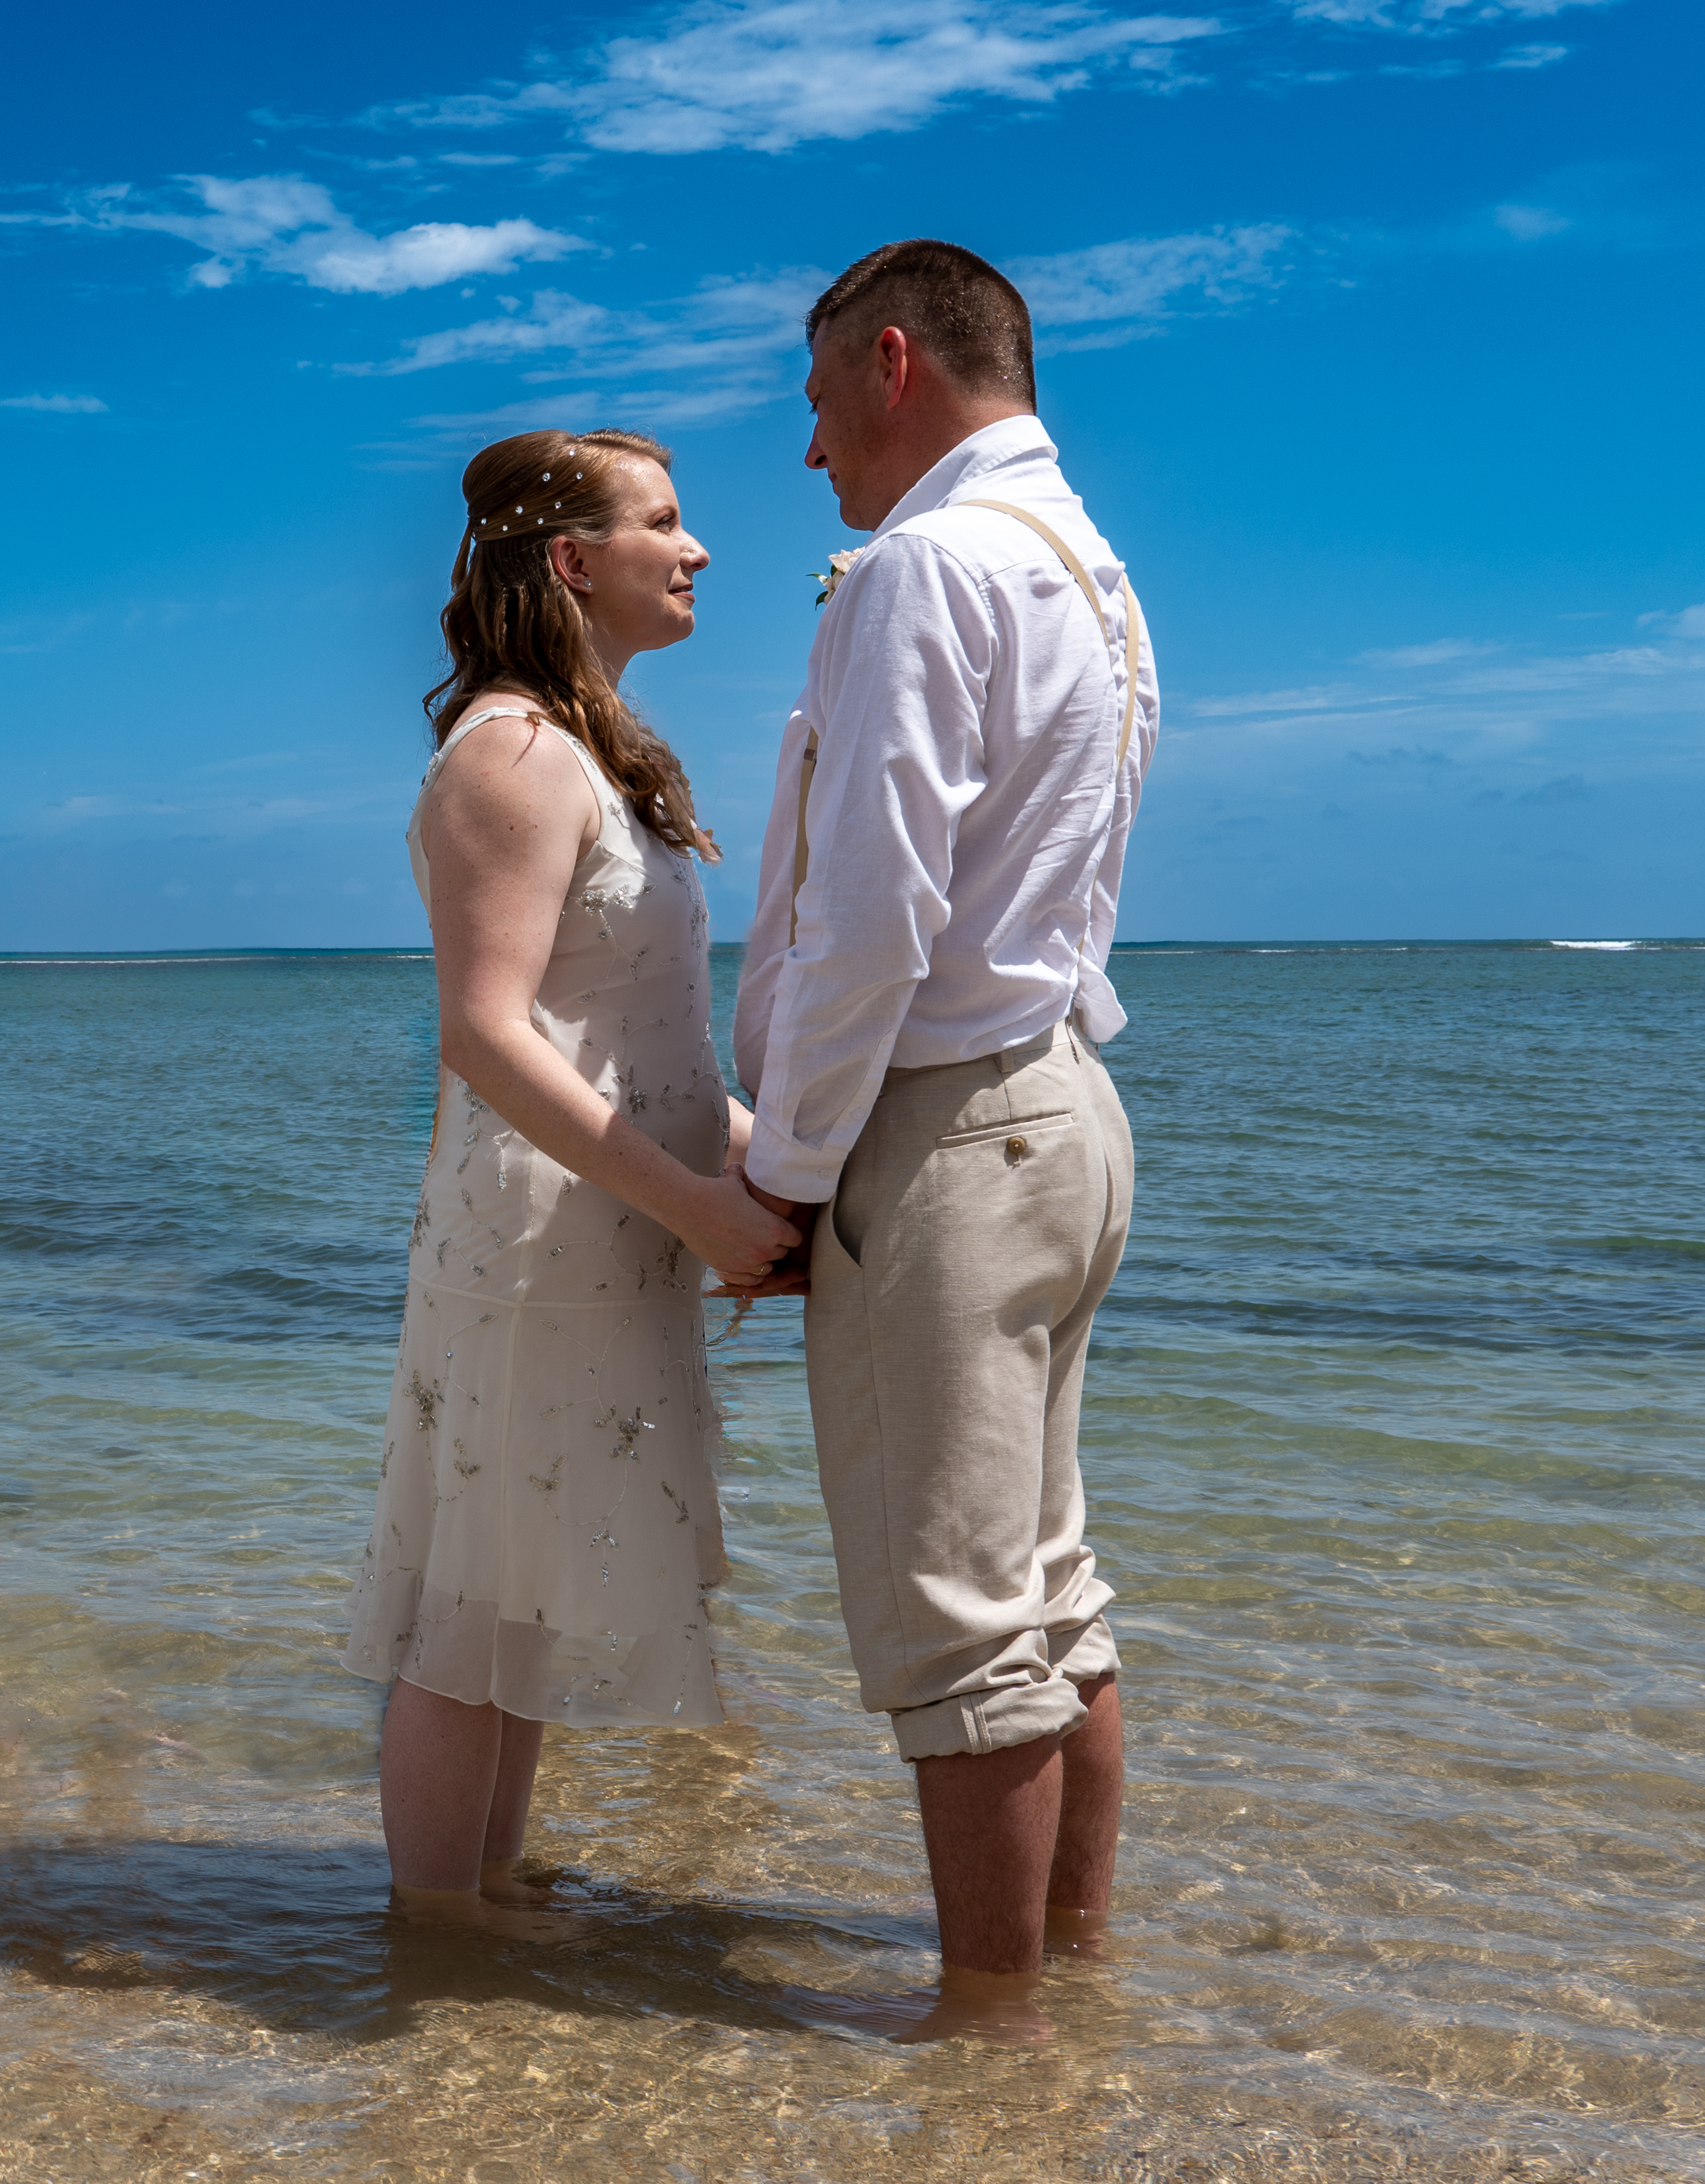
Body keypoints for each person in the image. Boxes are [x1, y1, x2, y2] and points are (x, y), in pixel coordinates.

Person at [724, 239, 1158, 2039]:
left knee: (965, 1626)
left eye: (821, 405)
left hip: (951, 1127)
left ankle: (992, 2046)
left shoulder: (931, 564)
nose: (812, 454)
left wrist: (783, 1169)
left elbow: (876, 917)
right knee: (1049, 1589)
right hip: (1065, 1106)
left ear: (894, 363)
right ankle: (1066, 1975)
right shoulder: (1096, 570)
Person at [343, 428, 800, 1935]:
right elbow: (487, 1034)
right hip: (538, 1234)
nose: (699, 549)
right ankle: (438, 1926)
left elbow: (637, 1041)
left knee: (521, 1571)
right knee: (476, 1585)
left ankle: (479, 1892)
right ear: (569, 560)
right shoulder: (512, 755)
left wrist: (765, 1171)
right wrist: (708, 1214)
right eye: (664, 523)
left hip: (609, 1226)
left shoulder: (583, 745)